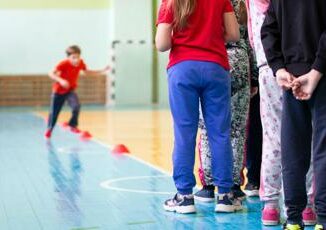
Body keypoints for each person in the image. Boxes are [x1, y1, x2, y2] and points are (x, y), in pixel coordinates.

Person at [156, 0, 240, 214]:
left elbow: (162, 44)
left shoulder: (171, 2)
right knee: (220, 133)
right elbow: (233, 35)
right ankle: (225, 196)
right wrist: (209, 38)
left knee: (184, 133)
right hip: (215, 67)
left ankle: (184, 197)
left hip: (182, 69)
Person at [246, 0, 315, 226]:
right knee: (309, 135)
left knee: (274, 138)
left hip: (270, 65)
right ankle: (308, 206)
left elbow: (257, 32)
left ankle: (271, 206)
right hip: (301, 62)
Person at [261, 0, 326, 229]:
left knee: (293, 149)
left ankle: (294, 219)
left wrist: (279, 68)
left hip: (293, 77)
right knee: (322, 149)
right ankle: (322, 218)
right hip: (319, 74)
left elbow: (268, 29)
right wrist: (316, 71)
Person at [194, 0, 258, 203]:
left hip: (213, 59)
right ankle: (233, 184)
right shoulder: (242, 4)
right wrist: (254, 76)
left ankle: (208, 185)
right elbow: (249, 41)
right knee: (238, 130)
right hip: (240, 62)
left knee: (208, 127)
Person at [45, 45, 109, 139]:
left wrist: (102, 71)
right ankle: (49, 130)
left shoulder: (80, 63)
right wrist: (61, 80)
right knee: (54, 113)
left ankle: (72, 125)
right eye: (73, 57)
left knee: (76, 106)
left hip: (70, 90)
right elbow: (50, 73)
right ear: (68, 57)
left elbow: (86, 72)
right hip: (58, 92)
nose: (76, 60)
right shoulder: (63, 64)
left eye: (78, 57)